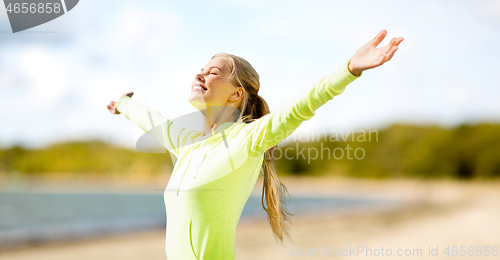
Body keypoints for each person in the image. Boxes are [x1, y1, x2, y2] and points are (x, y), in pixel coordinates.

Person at [107, 29, 404, 260]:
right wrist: (123, 103)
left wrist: (349, 69)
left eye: (213, 72)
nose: (200, 74)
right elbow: (154, 121)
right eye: (201, 69)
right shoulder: (187, 146)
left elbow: (300, 107)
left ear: (236, 94)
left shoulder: (246, 139)